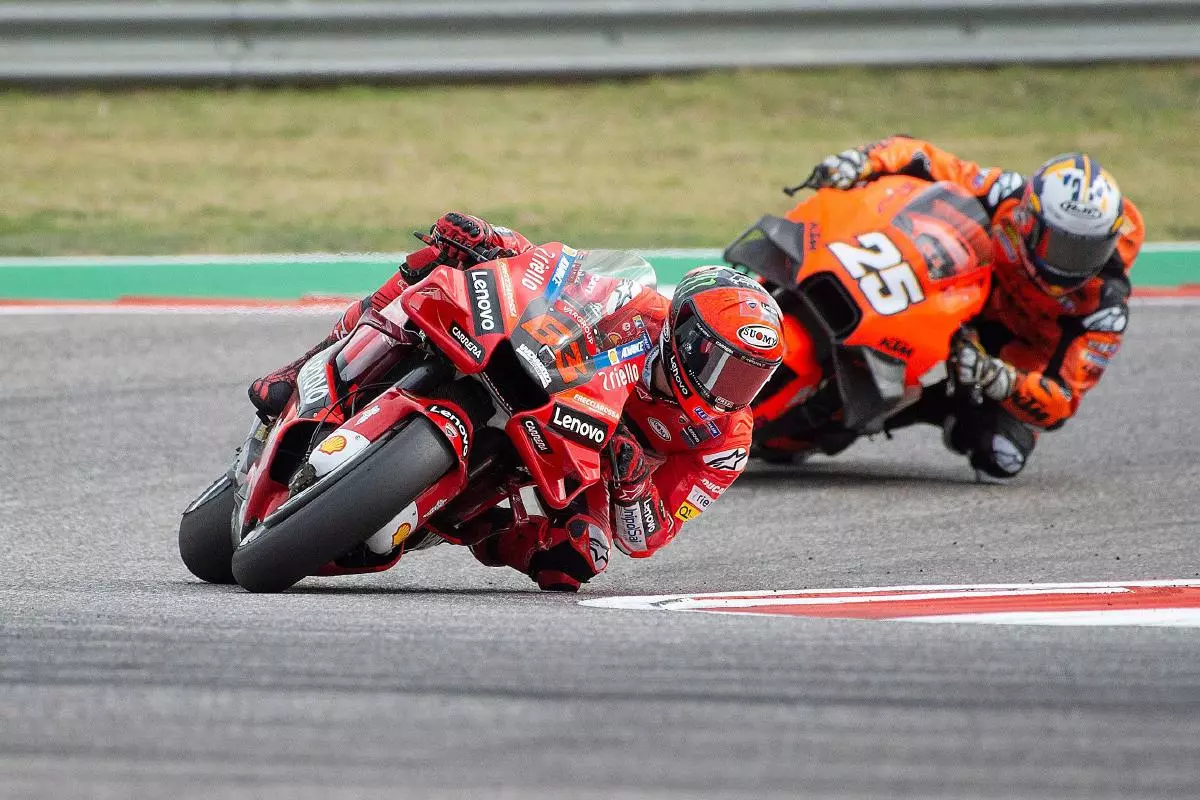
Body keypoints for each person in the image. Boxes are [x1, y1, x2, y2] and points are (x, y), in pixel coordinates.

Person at [249, 212, 786, 590]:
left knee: (578, 558)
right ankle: (302, 366)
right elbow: (552, 270)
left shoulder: (725, 442)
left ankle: (483, 526)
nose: (727, 389)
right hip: (545, 383)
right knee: (440, 261)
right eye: (720, 363)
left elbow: (645, 537)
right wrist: (493, 239)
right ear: (683, 330)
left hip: (591, 470)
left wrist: (630, 484)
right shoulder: (641, 309)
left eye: (747, 377)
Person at [802, 137, 1145, 478]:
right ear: (1030, 222)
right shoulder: (1007, 195)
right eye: (1063, 247)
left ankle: (905, 410)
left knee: (1002, 454)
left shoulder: (1105, 307)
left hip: (1007, 358)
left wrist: (998, 378)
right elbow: (925, 158)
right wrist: (862, 161)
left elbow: (1062, 401)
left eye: (1090, 251)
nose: (1075, 265)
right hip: (955, 293)